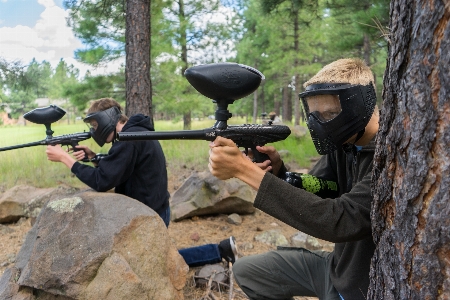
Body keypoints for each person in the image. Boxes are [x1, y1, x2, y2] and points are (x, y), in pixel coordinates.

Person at [208, 58, 379, 300]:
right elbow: (323, 189)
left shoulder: (389, 160)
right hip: (337, 269)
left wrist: (244, 171)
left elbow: (338, 219)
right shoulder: (344, 143)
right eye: (314, 114)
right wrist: (281, 173)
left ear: (361, 104)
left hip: (362, 287)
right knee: (249, 271)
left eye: (329, 113)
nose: (320, 124)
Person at [45, 97, 238, 268]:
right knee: (147, 259)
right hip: (155, 208)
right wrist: (95, 158)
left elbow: (102, 180)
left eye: (95, 125)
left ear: (107, 119)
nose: (94, 131)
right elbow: (121, 167)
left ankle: (219, 251)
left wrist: (65, 158)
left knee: (155, 263)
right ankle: (219, 250)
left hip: (149, 215)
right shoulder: (134, 133)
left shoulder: (129, 140)